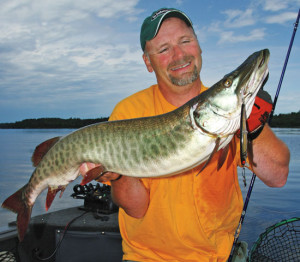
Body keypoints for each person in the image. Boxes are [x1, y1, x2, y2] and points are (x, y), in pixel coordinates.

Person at [80, 8, 290, 261]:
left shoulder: (228, 112)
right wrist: (118, 174)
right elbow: (136, 209)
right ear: (148, 61)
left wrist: (253, 127)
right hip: (148, 257)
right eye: (164, 49)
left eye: (185, 41)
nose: (179, 55)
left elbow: (277, 176)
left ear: (199, 47)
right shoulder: (129, 112)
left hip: (218, 256)